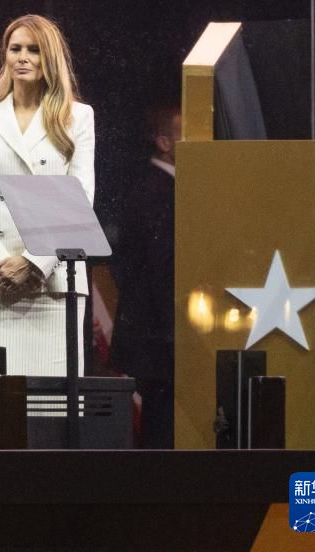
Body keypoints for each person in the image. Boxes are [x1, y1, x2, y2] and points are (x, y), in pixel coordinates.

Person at [0, 14, 95, 376]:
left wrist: (32, 264)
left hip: (54, 284)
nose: (23, 57)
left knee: (53, 402)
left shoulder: (77, 117)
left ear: (50, 57)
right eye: (15, 49)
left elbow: (80, 200)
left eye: (34, 50)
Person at [110, 104, 179, 448]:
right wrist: (176, 330)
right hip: (160, 338)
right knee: (161, 429)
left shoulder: (161, 188)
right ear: (164, 142)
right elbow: (161, 267)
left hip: (157, 336)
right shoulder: (159, 191)